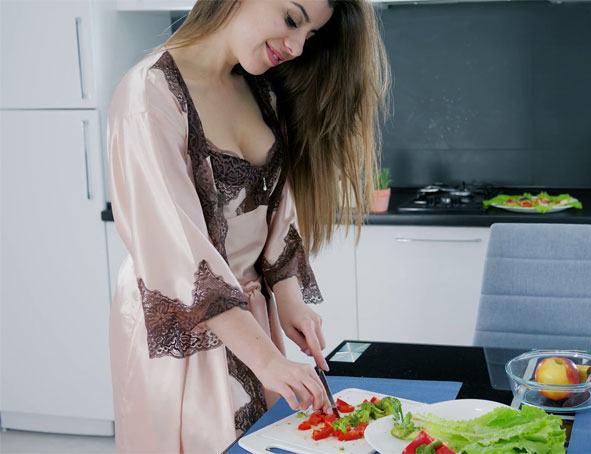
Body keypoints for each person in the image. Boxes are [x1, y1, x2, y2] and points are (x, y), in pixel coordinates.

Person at [106, 0, 389, 451]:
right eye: (292, 19)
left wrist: (291, 300)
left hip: (251, 318)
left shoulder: (262, 90)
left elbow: (278, 213)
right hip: (184, 327)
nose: (296, 47)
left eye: (309, 36)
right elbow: (179, 256)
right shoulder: (149, 94)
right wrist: (269, 362)